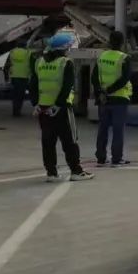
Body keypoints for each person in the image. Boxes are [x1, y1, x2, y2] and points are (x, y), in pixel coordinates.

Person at [29, 33, 94, 182]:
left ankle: (51, 173)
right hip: (61, 108)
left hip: (43, 108)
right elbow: (67, 87)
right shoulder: (66, 63)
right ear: (64, 48)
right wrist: (58, 104)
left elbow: (33, 85)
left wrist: (36, 104)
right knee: (70, 140)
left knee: (48, 141)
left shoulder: (39, 62)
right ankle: (76, 171)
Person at [92, 30, 132, 166]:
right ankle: (116, 158)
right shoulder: (124, 58)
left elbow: (94, 77)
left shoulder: (102, 56)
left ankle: (101, 157)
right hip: (119, 98)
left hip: (103, 99)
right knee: (118, 130)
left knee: (102, 129)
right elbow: (124, 80)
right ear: (122, 43)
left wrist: (101, 92)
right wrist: (109, 90)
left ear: (109, 41)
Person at [4, 41, 33, 117]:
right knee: (21, 95)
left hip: (14, 76)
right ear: (25, 45)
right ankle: (18, 111)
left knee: (15, 95)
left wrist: (6, 75)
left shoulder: (12, 52)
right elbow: (32, 64)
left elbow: (7, 64)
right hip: (24, 76)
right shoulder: (28, 53)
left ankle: (15, 111)